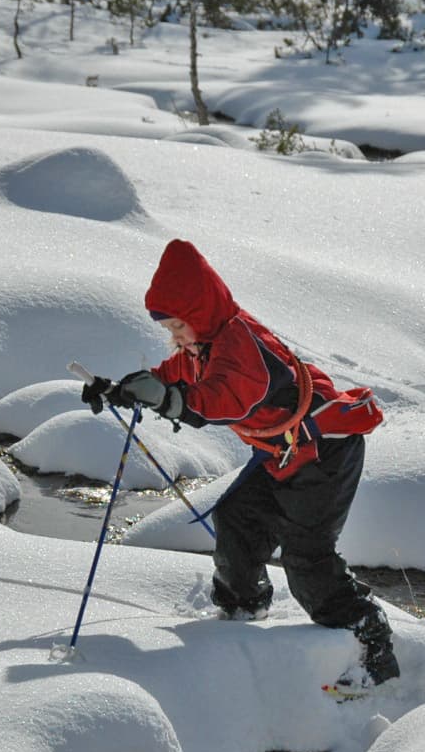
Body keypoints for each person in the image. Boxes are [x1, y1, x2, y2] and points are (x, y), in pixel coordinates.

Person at [81, 239, 399, 688]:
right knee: (237, 519)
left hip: (325, 453)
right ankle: (241, 611)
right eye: (169, 329)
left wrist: (169, 401)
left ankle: (372, 644)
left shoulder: (243, 349)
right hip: (282, 454)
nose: (175, 338)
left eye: (178, 326)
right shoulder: (206, 343)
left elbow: (222, 400)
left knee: (307, 559)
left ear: (201, 312)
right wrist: (123, 389)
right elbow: (177, 376)